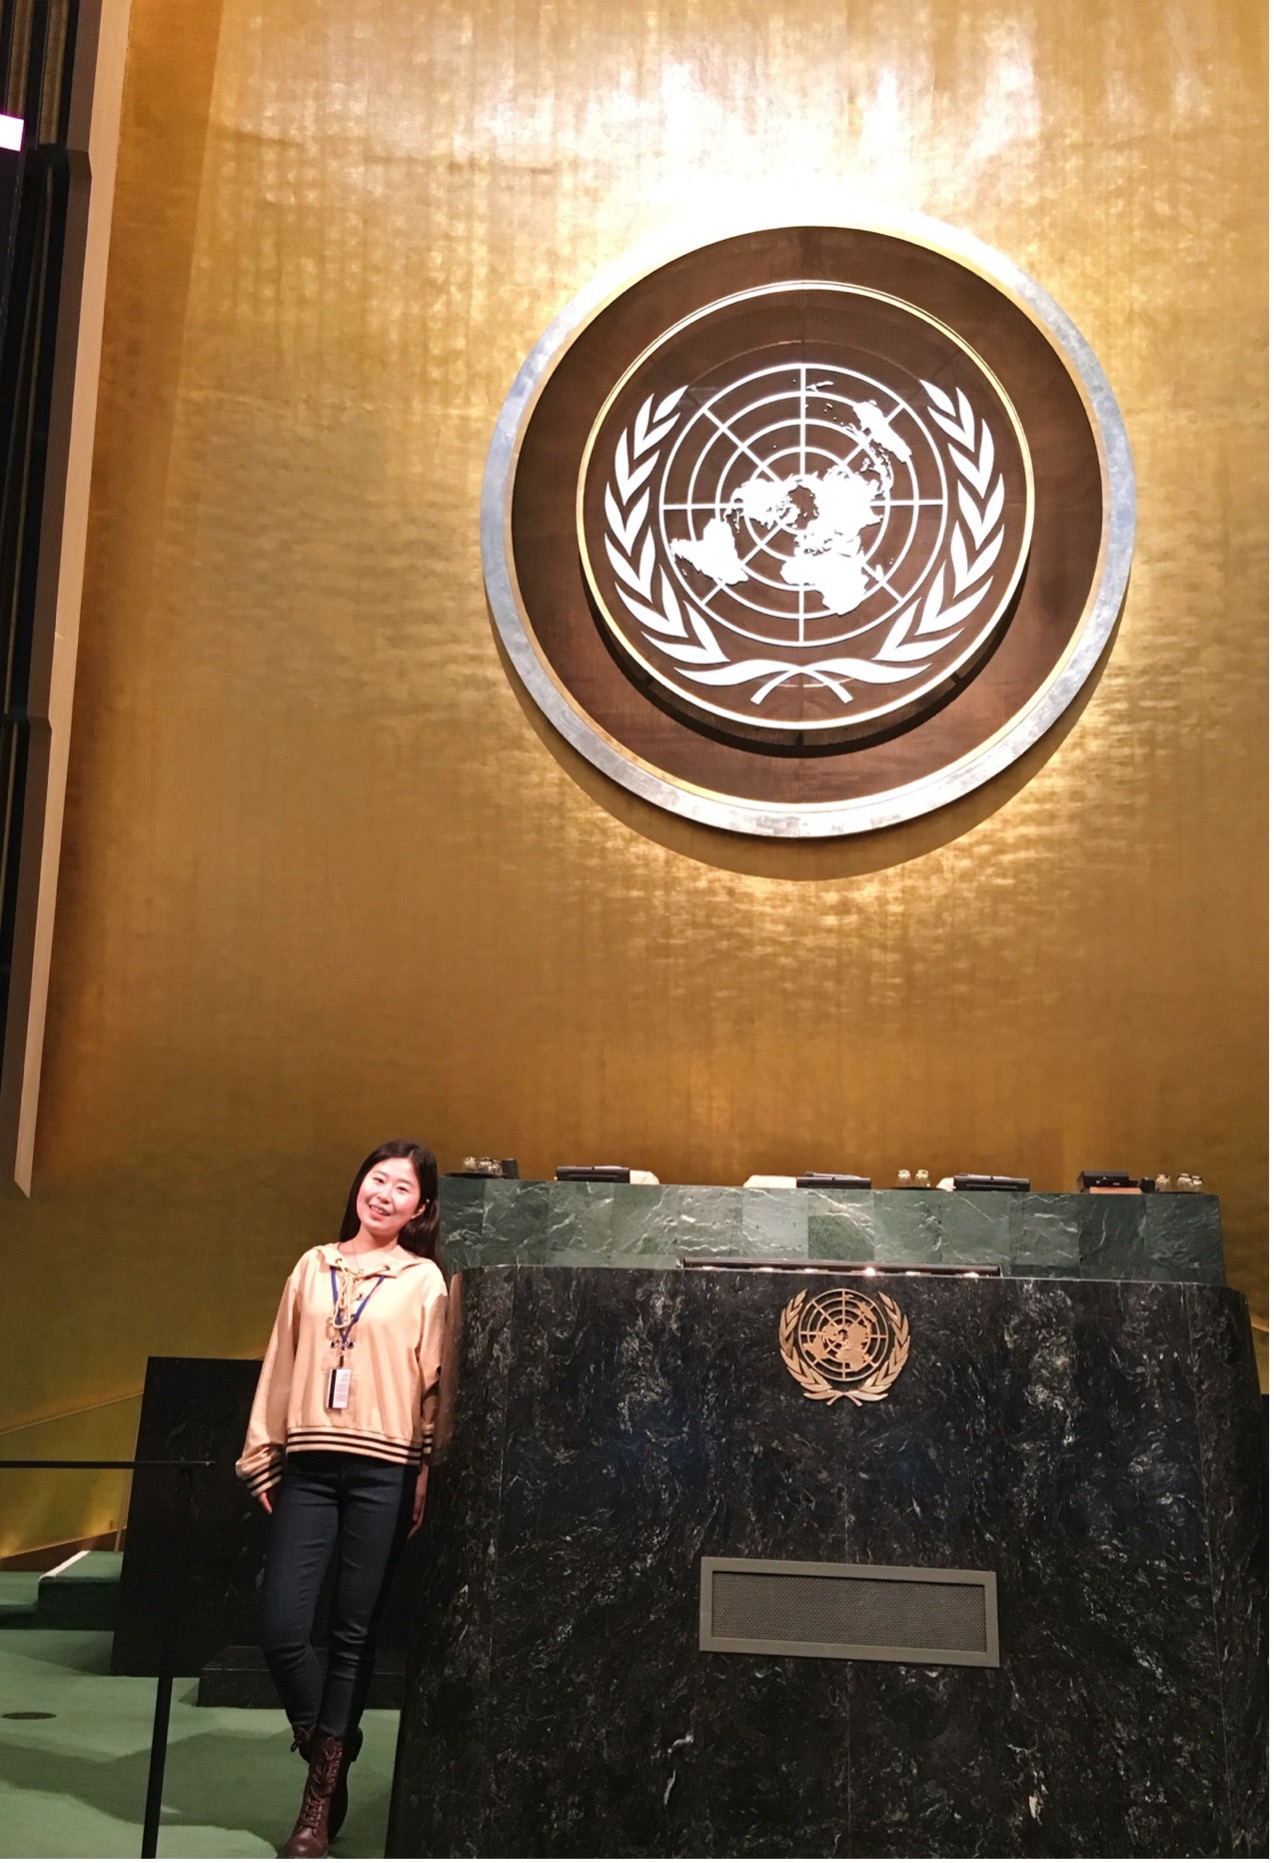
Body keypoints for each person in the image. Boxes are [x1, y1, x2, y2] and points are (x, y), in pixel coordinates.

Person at [236, 1140, 447, 1859]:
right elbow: (282, 1356)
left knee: (354, 1634)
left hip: (385, 1466)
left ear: (420, 1207)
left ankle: (317, 1804)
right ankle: (331, 1745)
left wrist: (423, 1468)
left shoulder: (424, 1281)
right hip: (312, 1464)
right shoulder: (312, 1264)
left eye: (402, 1187)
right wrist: (262, 1449)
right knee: (282, 1625)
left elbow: (433, 1388)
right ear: (359, 1184)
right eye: (377, 1178)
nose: (384, 1193)